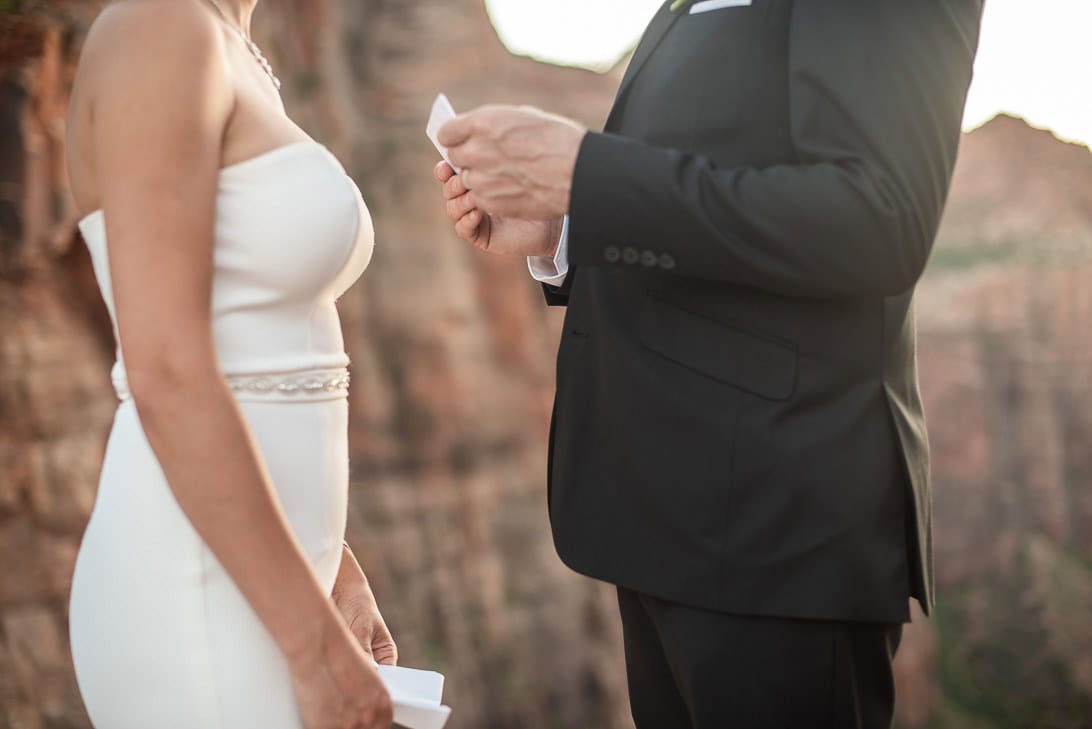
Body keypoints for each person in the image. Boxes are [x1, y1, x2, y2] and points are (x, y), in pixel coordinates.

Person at [435, 1, 984, 727]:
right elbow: (713, 181)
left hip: (776, 534)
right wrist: (568, 224)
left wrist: (588, 176)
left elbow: (876, 218)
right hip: (669, 522)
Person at [65, 0, 394, 727]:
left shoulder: (235, 46)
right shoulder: (159, 27)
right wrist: (311, 646)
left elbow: (262, 349)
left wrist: (332, 561)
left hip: (269, 572)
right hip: (196, 586)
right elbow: (169, 370)